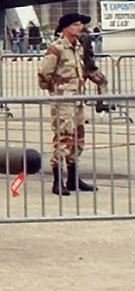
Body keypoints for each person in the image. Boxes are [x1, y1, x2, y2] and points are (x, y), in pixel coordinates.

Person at [38, 13, 107, 195]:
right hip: (63, 101)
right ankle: (57, 180)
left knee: (78, 139)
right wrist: (55, 90)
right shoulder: (57, 48)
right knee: (63, 139)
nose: (80, 27)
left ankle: (73, 178)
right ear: (66, 27)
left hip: (77, 99)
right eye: (76, 25)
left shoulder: (78, 48)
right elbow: (44, 73)